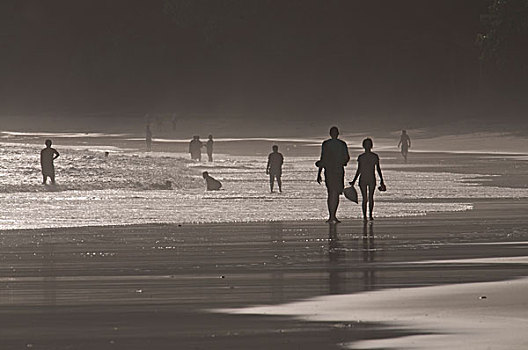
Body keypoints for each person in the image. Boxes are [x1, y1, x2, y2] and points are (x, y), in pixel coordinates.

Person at [316, 126, 350, 223]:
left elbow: (323, 159)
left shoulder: (326, 144)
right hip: (338, 170)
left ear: (330, 134)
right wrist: (342, 162)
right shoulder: (342, 144)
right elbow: (346, 158)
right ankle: (333, 215)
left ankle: (331, 215)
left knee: (331, 193)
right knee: (336, 193)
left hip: (329, 170)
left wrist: (319, 173)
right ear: (337, 134)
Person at [350, 138, 384, 221]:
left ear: (363, 146)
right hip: (371, 178)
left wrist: (354, 181)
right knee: (370, 197)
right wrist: (382, 180)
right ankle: (370, 215)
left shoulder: (361, 157)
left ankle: (365, 216)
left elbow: (359, 170)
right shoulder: (374, 156)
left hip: (363, 179)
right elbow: (378, 169)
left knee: (365, 198)